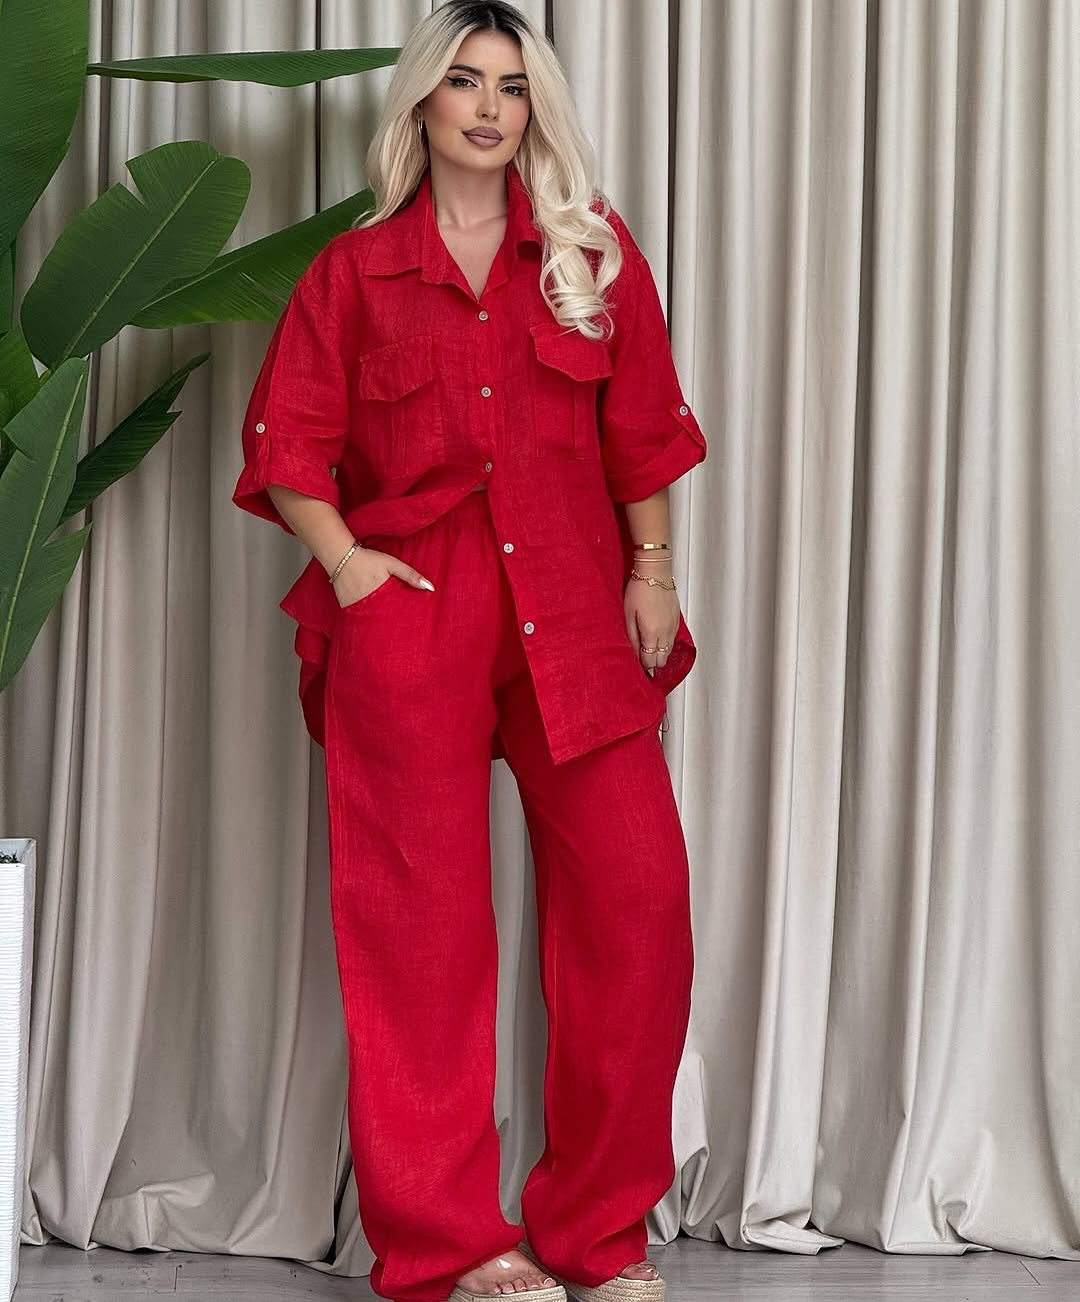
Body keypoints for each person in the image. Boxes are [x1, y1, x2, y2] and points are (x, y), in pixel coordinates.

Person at [231, 3, 707, 1300]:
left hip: (577, 610)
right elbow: (288, 444)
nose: (490, 107)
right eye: (464, 82)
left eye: (512, 85)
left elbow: (643, 431)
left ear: (533, 109)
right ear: (423, 105)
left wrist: (654, 574)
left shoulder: (591, 255)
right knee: (419, 937)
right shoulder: (355, 273)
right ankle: (449, 1241)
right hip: (416, 616)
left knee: (639, 904)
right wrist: (348, 566)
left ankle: (598, 1232)